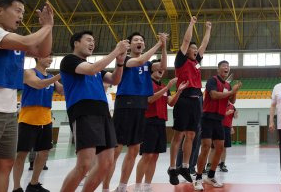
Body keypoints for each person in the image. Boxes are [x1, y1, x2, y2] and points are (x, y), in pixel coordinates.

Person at [0, 0, 53, 192]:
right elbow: (29, 41)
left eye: (23, 12)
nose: (21, 16)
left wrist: (49, 27)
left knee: (5, 164)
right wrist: (45, 27)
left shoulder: (14, 41)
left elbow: (43, 51)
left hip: (10, 111)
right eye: (17, 10)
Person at [59, 31, 129, 192]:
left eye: (94, 41)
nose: (92, 43)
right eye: (88, 40)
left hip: (103, 113)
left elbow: (115, 80)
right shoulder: (69, 60)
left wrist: (120, 62)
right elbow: (91, 70)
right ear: (76, 43)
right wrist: (116, 51)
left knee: (106, 164)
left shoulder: (95, 67)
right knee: (84, 164)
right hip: (83, 111)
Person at [103, 32, 168, 192]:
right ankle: (105, 188)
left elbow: (163, 66)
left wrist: (165, 47)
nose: (139, 42)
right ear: (130, 44)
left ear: (144, 45)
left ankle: (122, 186)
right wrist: (159, 44)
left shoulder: (148, 65)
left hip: (141, 106)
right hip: (125, 104)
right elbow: (139, 60)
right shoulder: (124, 59)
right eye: (136, 40)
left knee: (134, 150)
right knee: (116, 151)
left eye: (141, 40)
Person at [168, 17, 212, 185]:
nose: (195, 50)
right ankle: (172, 168)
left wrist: (208, 29)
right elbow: (186, 40)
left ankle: (185, 166)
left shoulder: (196, 62)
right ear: (186, 51)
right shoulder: (180, 60)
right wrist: (192, 24)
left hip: (196, 100)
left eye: (195, 48)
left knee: (192, 135)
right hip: (184, 98)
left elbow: (204, 45)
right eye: (192, 48)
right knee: (178, 135)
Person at [13, 55, 63, 192]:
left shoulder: (51, 76)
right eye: (48, 56)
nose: (51, 59)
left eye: (52, 57)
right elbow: (39, 84)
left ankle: (33, 184)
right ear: (38, 57)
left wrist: (73, 79)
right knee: (21, 154)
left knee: (44, 153)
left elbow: (62, 91)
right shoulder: (29, 72)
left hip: (46, 119)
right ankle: (16, 187)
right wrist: (58, 76)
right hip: (28, 118)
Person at [134, 64, 187, 192]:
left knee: (155, 156)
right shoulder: (146, 82)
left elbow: (171, 102)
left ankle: (147, 185)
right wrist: (167, 88)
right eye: (158, 67)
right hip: (148, 121)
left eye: (163, 69)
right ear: (152, 69)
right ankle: (137, 186)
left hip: (160, 122)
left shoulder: (164, 86)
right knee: (147, 155)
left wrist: (178, 91)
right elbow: (150, 99)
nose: (161, 70)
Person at [193, 61, 241, 190]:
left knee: (220, 148)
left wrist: (234, 91)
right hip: (207, 117)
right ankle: (198, 178)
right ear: (218, 69)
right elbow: (214, 96)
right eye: (224, 66)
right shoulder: (212, 80)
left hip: (219, 119)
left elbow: (232, 101)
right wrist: (231, 92)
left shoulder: (227, 84)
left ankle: (211, 176)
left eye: (228, 67)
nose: (226, 68)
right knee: (206, 147)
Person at [219, 102, 237, 172]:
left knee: (224, 147)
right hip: (218, 126)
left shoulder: (232, 106)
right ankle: (210, 165)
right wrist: (226, 113)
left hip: (227, 127)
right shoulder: (219, 104)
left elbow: (235, 117)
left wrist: (236, 114)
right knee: (214, 147)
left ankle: (222, 164)